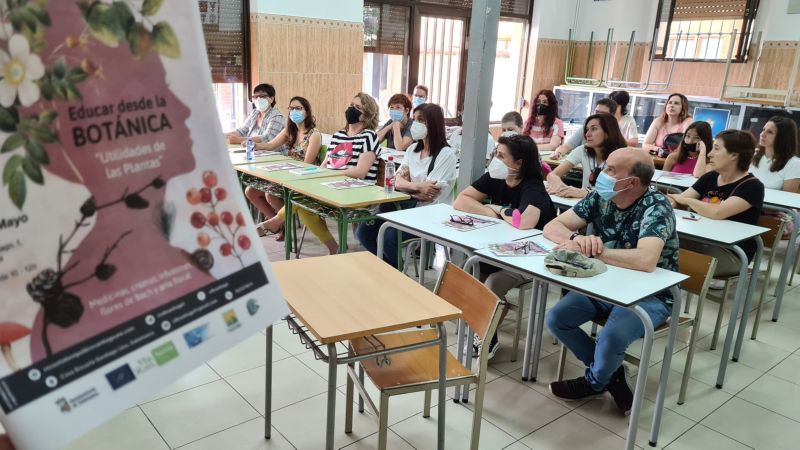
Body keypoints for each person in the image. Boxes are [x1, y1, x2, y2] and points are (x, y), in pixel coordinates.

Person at [543, 148, 679, 415]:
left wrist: (596, 250)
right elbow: (553, 227)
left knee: (612, 336)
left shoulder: (657, 206)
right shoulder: (601, 197)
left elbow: (646, 260)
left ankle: (594, 383)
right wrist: (575, 241)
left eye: (611, 170)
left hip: (651, 293)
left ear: (632, 183)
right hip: (607, 283)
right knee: (557, 318)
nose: (601, 174)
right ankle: (613, 374)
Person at [454, 134, 556, 358]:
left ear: (519, 163)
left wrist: (499, 210)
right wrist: (493, 211)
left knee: (493, 282)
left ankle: (487, 337)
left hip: (528, 256)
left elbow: (525, 221)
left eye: (501, 155)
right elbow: (461, 200)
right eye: (495, 154)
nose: (495, 160)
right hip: (499, 249)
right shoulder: (496, 176)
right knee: (469, 270)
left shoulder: (533, 187)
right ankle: (489, 320)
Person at [263, 92, 381, 255]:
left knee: (299, 200)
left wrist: (331, 175)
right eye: (351, 105)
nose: (351, 109)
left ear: (366, 115)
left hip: (358, 191)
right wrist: (318, 175)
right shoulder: (339, 135)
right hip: (333, 186)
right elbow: (326, 163)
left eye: (357, 107)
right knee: (301, 200)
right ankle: (334, 248)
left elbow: (361, 172)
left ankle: (277, 221)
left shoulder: (369, 136)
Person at [356, 103, 457, 265]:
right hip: (406, 208)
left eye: (421, 120)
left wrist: (407, 185)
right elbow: (395, 181)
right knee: (363, 232)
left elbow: (431, 194)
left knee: (389, 236)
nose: (415, 124)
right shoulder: (412, 151)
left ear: (434, 123)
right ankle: (388, 269)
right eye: (415, 119)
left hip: (431, 214)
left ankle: (396, 275)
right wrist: (417, 187)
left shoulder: (446, 155)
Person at [668, 130, 764, 285]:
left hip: (731, 252)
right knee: (659, 247)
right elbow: (680, 199)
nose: (710, 154)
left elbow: (717, 212)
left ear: (734, 155)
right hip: (700, 240)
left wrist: (687, 200)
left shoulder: (752, 187)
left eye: (717, 149)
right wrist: (673, 202)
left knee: (669, 259)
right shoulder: (711, 177)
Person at [247, 96, 322, 239]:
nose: (294, 111)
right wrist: (254, 144)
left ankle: (277, 224)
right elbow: (270, 145)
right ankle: (280, 224)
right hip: (287, 175)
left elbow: (307, 164)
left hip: (304, 179)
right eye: (291, 108)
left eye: (298, 108)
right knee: (251, 191)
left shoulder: (314, 135)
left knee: (270, 194)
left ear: (307, 111)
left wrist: (285, 170)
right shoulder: (290, 130)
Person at [546, 113, 628, 198]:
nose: (587, 134)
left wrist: (587, 193)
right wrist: (561, 187)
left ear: (608, 132)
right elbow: (552, 175)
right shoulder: (583, 150)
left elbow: (617, 191)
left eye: (594, 129)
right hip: (586, 205)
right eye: (587, 129)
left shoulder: (621, 156)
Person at [551, 98, 619, 160]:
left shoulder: (614, 134)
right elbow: (567, 146)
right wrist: (558, 153)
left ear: (611, 117)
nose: (598, 116)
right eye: (596, 112)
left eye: (603, 114)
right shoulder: (585, 129)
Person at [225, 83, 286, 149]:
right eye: (256, 97)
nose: (258, 99)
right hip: (257, 152)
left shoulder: (277, 116)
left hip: (276, 155)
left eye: (262, 96)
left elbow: (267, 138)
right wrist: (225, 135)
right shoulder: (255, 113)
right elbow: (242, 131)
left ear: (272, 98)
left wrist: (238, 140)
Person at [750, 116, 800, 192]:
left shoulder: (794, 163)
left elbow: (787, 199)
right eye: (763, 129)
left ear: (782, 137)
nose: (762, 134)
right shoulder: (752, 154)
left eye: (770, 132)